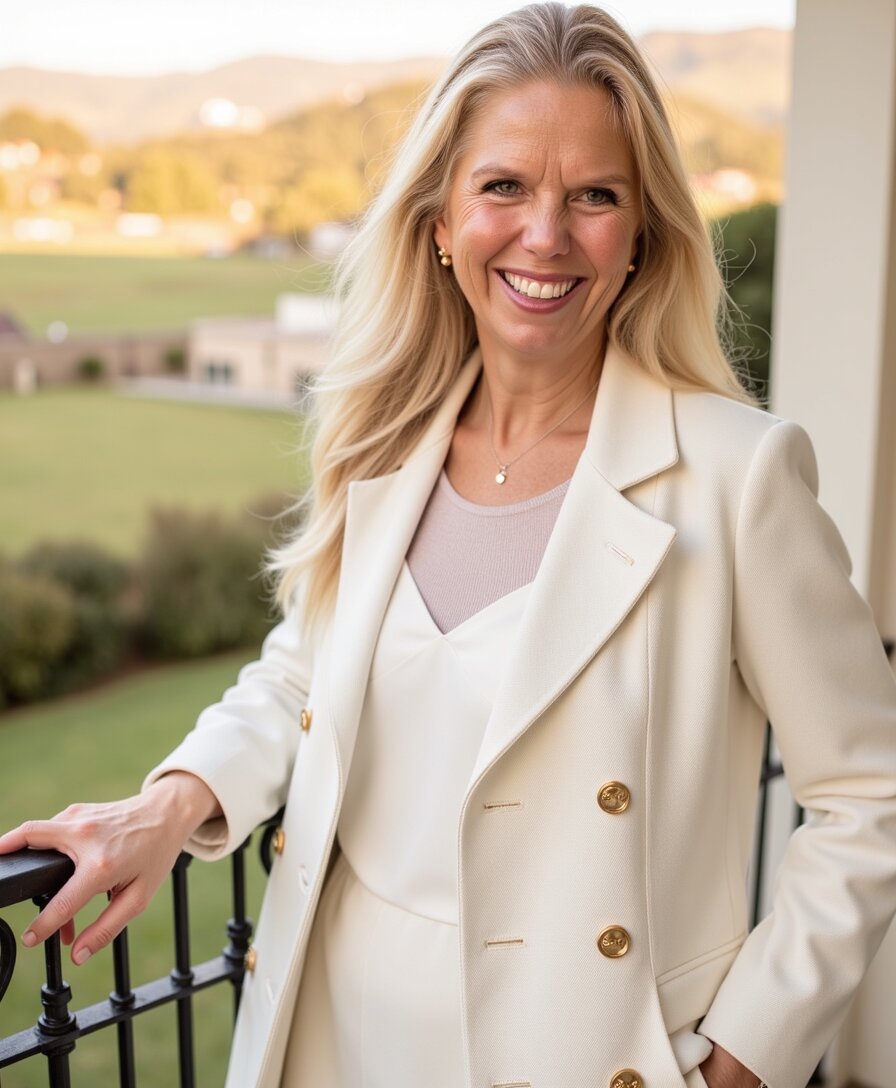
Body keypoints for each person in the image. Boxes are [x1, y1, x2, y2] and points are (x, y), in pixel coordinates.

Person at [2, 4, 896, 1087]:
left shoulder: (735, 473)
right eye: (504, 186)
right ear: (437, 219)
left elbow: (868, 792)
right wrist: (172, 797)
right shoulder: (387, 440)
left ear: (642, 235)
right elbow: (304, 669)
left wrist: (742, 1056)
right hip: (326, 1035)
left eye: (594, 196)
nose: (545, 234)